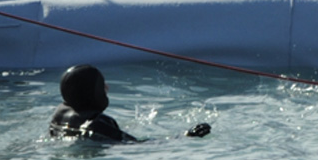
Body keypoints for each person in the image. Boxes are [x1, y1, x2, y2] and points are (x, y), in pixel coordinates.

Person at [49, 64, 210, 141]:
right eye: (101, 85)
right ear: (93, 92)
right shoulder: (98, 123)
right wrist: (186, 136)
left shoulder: (60, 113)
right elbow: (137, 146)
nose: (107, 87)